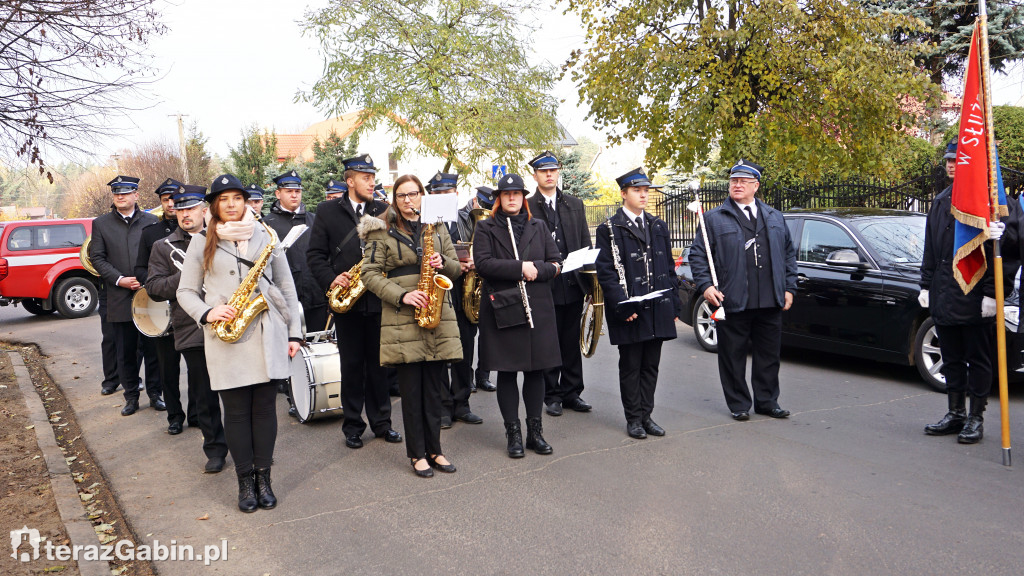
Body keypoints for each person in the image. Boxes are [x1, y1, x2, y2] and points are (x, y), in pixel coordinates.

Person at [177, 174, 303, 513]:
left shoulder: (267, 235)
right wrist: (207, 312)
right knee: (235, 413)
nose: (231, 204)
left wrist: (294, 332)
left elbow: (286, 287)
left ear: (245, 202)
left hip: (267, 333)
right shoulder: (201, 239)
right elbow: (185, 291)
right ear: (215, 205)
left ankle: (265, 478)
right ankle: (245, 482)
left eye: (237, 198)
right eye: (224, 199)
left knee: (264, 411)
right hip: (226, 336)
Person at [361, 174, 464, 476]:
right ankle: (416, 453)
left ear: (422, 195)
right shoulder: (380, 231)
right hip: (402, 317)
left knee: (434, 390)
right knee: (411, 391)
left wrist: (442, 263)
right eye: (402, 195)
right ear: (395, 199)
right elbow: (370, 274)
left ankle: (436, 450)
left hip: (436, 313)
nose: (409, 200)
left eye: (414, 194)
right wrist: (403, 296)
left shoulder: (437, 226)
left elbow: (456, 268)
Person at [919, 140, 1014, 444]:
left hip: (975, 294)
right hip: (945, 291)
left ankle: (976, 417)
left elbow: (1009, 254)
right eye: (948, 159)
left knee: (979, 359)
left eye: (956, 159)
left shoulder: (990, 202)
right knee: (952, 357)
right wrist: (925, 284)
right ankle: (955, 412)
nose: (950, 164)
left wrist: (991, 293)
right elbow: (930, 249)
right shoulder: (941, 200)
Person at [689, 160, 797, 421]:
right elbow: (698, 256)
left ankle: (767, 401)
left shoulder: (774, 216)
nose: (737, 185)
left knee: (768, 356)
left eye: (743, 182)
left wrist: (790, 288)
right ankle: (738, 403)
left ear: (756, 186)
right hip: (733, 299)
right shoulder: (713, 219)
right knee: (732, 355)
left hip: (770, 299)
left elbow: (788, 255)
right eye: (733, 181)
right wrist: (705, 286)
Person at [306, 154, 401, 449]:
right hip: (348, 303)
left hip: (378, 299)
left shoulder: (384, 210)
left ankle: (382, 423)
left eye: (373, 177)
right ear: (350, 181)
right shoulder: (326, 211)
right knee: (351, 366)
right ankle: (353, 426)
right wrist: (331, 279)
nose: (372, 182)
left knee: (380, 366)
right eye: (365, 177)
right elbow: (315, 255)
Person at [474, 173, 562, 458]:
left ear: (523, 197)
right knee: (508, 372)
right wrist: (519, 267)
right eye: (506, 193)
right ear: (499, 198)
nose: (512, 197)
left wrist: (537, 268)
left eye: (517, 193)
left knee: (536, 371)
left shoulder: (539, 225)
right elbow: (484, 264)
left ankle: (535, 433)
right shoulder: (486, 228)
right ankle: (513, 433)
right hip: (504, 307)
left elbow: (556, 263)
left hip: (538, 306)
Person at [145, 185, 229, 472]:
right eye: (179, 209)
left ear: (204, 211)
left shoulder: (223, 238)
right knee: (205, 396)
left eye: (190, 208)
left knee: (236, 392)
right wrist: (186, 278)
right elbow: (153, 288)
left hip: (229, 324)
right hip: (192, 328)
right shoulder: (163, 246)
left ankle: (245, 446)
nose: (184, 214)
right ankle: (215, 450)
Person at [594, 168, 682, 438]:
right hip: (630, 308)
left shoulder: (657, 225)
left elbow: (668, 267)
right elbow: (607, 272)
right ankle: (633, 419)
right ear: (623, 194)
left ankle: (647, 415)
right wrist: (623, 305)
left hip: (657, 306)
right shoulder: (609, 228)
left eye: (646, 190)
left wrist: (674, 303)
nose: (643, 195)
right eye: (637, 190)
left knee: (651, 365)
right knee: (631, 365)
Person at [525, 151, 594, 417]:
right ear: (535, 175)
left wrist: (589, 286)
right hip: (544, 285)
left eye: (553, 170)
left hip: (573, 284)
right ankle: (551, 394)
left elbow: (585, 243)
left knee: (570, 340)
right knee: (548, 341)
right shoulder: (528, 205)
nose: (549, 175)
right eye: (544, 171)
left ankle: (572, 392)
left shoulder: (574, 204)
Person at [88, 175, 162, 416]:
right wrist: (119, 279)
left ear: (136, 195)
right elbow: (97, 257)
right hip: (119, 296)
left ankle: (155, 394)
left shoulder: (152, 221)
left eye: (126, 192)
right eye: (117, 192)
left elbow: (158, 256)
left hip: (149, 295)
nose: (121, 196)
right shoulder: (101, 224)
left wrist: (147, 278)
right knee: (125, 351)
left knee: (153, 351)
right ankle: (131, 397)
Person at [427, 171, 483, 427]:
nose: (442, 197)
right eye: (437, 193)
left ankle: (462, 403)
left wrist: (475, 261)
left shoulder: (466, 219)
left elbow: (482, 248)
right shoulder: (425, 221)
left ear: (455, 194)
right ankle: (442, 408)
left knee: (464, 348)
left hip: (463, 292)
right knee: (439, 350)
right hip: (437, 292)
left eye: (447, 193)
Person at [135, 178, 185, 425]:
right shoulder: (150, 234)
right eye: (166, 200)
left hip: (192, 309)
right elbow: (139, 269)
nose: (171, 204)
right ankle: (175, 417)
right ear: (161, 203)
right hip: (164, 307)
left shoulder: (199, 231)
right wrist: (155, 283)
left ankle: (196, 414)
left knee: (199, 370)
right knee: (168, 369)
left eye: (175, 199)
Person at [264, 170, 327, 332]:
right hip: (284, 302)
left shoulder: (315, 220)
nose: (294, 195)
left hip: (317, 298)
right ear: (278, 194)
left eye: (297, 191)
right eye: (289, 191)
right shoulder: (266, 225)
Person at [460, 186, 498, 393]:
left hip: (488, 278)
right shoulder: (460, 218)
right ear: (475, 201)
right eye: (483, 206)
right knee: (467, 335)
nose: (487, 211)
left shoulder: (496, 220)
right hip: (466, 277)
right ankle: (467, 378)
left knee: (488, 334)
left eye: (490, 208)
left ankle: (484, 375)